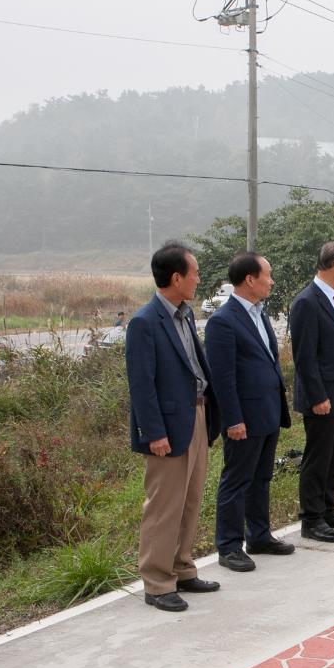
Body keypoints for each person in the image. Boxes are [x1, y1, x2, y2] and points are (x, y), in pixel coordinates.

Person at [125, 242, 221, 612]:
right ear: (176, 277)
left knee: (191, 499)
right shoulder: (145, 322)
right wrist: (154, 433)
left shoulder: (184, 315)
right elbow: (141, 385)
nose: (198, 279)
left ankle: (182, 569)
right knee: (164, 506)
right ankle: (157, 582)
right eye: (194, 272)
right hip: (167, 426)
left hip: (196, 417)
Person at [205, 252, 294, 573]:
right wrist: (233, 419)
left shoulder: (260, 313)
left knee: (261, 478)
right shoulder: (223, 321)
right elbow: (222, 378)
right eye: (267, 275)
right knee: (237, 480)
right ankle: (229, 546)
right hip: (244, 417)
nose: (271, 281)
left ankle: (259, 535)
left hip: (267, 411)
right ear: (249, 280)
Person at [289, 242, 334, 543]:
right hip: (322, 397)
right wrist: (318, 396)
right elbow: (305, 357)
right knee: (318, 456)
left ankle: (328, 507)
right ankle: (311, 517)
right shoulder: (307, 301)